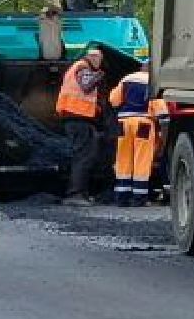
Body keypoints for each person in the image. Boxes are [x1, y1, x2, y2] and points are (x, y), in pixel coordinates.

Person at [56, 45, 106, 205]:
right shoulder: (83, 67)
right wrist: (99, 75)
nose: (99, 62)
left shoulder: (78, 67)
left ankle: (81, 193)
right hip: (78, 118)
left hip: (77, 119)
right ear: (92, 57)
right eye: (98, 59)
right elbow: (86, 86)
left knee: (83, 156)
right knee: (83, 157)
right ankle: (75, 194)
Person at [107, 66, 155, 205]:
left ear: (141, 68)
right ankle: (139, 198)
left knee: (123, 157)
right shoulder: (152, 81)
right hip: (143, 122)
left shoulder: (127, 79)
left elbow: (114, 100)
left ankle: (122, 197)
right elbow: (158, 104)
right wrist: (163, 118)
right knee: (142, 158)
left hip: (124, 122)